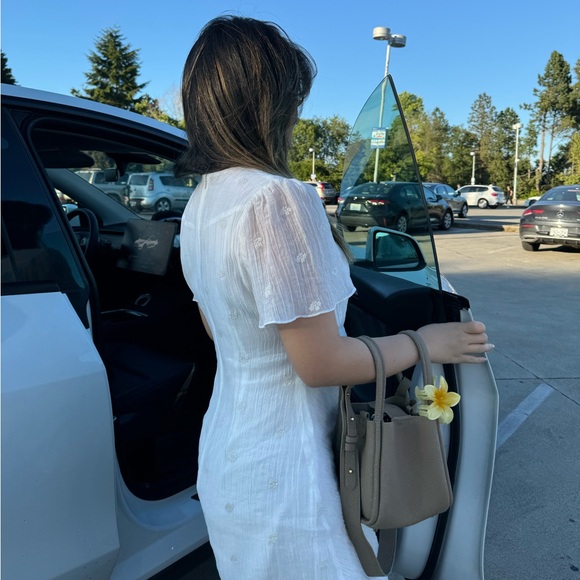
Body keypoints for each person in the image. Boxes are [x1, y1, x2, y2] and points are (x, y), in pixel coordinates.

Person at [178, 16, 494, 580]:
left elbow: (219, 324)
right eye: (293, 99)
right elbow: (320, 364)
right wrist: (426, 342)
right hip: (291, 471)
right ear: (269, 105)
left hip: (229, 450)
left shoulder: (202, 203)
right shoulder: (277, 198)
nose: (298, 115)